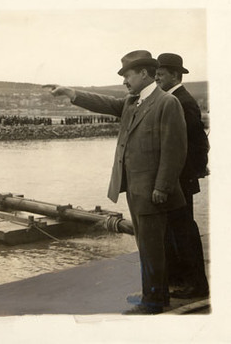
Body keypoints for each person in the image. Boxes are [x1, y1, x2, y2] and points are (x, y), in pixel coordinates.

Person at [48, 50, 188, 314]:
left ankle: (154, 302)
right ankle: (154, 296)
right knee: (145, 246)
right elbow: (103, 102)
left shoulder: (167, 103)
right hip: (134, 188)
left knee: (152, 248)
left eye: (128, 75)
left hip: (152, 191)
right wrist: (71, 93)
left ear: (144, 74)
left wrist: (162, 187)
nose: (124, 81)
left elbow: (175, 150)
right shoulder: (131, 102)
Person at [155, 53, 209, 298]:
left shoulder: (183, 101)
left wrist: (195, 171)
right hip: (176, 177)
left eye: (161, 75)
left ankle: (197, 285)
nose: (156, 79)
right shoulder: (172, 98)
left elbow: (198, 142)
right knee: (175, 229)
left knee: (184, 229)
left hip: (181, 178)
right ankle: (179, 278)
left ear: (175, 75)